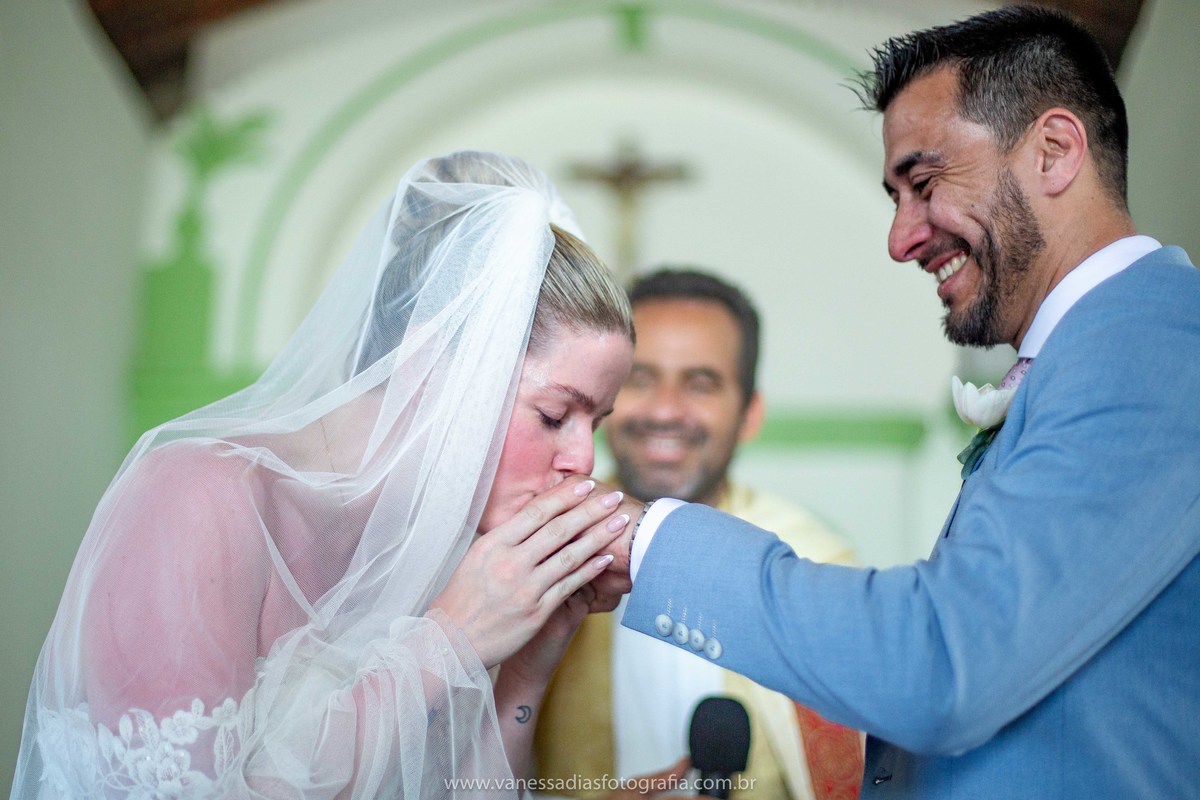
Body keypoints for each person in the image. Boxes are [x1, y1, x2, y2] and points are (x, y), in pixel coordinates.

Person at [591, 7, 1200, 799]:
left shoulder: (1152, 344)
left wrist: (646, 541)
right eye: (894, 197)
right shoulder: (1101, 348)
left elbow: (946, 662)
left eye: (924, 183)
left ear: (1055, 151)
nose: (901, 238)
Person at [12, 151, 638, 798]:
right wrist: (448, 640)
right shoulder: (196, 501)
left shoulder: (445, 557)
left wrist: (528, 670)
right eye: (556, 413)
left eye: (596, 424)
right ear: (429, 363)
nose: (583, 461)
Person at [533, 269, 863, 800]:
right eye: (639, 379)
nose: (664, 410)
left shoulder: (813, 563)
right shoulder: (541, 539)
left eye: (700, 383)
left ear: (750, 414)